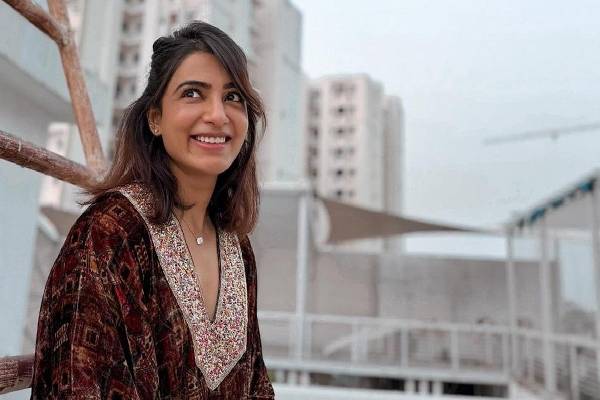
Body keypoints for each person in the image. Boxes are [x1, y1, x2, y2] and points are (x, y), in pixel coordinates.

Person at [30, 21, 275, 399]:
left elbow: (256, 385)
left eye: (233, 97)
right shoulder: (110, 232)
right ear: (155, 118)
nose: (218, 114)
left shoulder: (236, 248)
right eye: (193, 93)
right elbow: (77, 382)